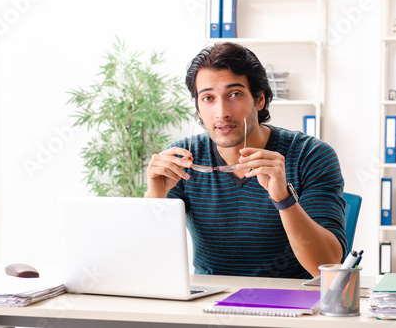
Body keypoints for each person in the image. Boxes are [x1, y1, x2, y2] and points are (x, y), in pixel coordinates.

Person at [145, 42, 346, 279]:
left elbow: (327, 266)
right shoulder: (181, 159)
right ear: (198, 109)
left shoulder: (311, 156)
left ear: (259, 100)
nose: (222, 112)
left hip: (291, 305)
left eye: (235, 94)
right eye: (208, 98)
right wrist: (154, 198)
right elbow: (148, 262)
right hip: (206, 305)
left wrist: (283, 198)